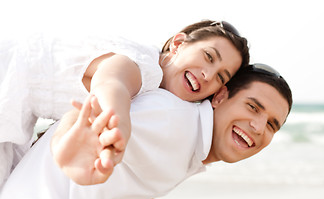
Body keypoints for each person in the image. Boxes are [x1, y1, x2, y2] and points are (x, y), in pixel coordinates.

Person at [0, 64, 293, 199]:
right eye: (253, 107)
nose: (257, 126)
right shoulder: (171, 119)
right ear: (220, 96)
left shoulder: (188, 137)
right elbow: (85, 105)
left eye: (271, 125)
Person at [0, 19, 249, 188]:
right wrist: (118, 127)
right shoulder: (145, 65)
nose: (208, 74)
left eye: (220, 76)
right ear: (177, 44)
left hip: (20, 110)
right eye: (208, 57)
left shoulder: (157, 94)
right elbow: (112, 83)